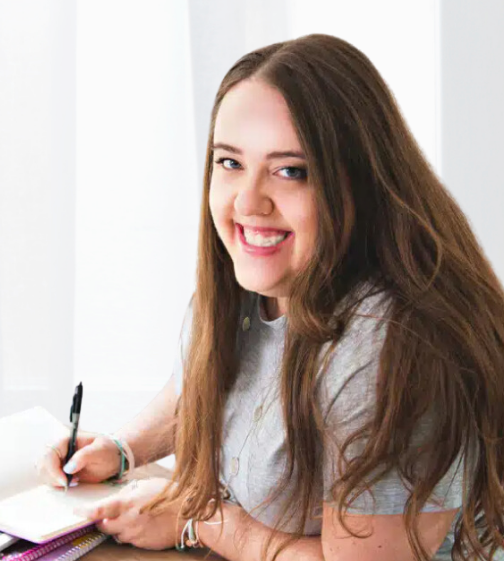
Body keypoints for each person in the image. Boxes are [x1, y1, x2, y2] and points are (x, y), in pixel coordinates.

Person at [38, 34, 504, 560]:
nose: (248, 201)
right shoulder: (251, 286)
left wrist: (201, 520)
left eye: (290, 171)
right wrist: (121, 450)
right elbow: (198, 389)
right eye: (230, 163)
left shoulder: (391, 346)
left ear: (360, 182)